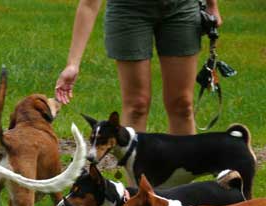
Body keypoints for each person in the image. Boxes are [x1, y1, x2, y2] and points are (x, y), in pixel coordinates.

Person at [55, 0, 222, 135]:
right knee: (136, 106)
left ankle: (182, 167)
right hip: (128, 10)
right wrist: (73, 64)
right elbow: (89, 4)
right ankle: (136, 168)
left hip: (182, 8)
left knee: (182, 105)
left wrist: (212, 4)